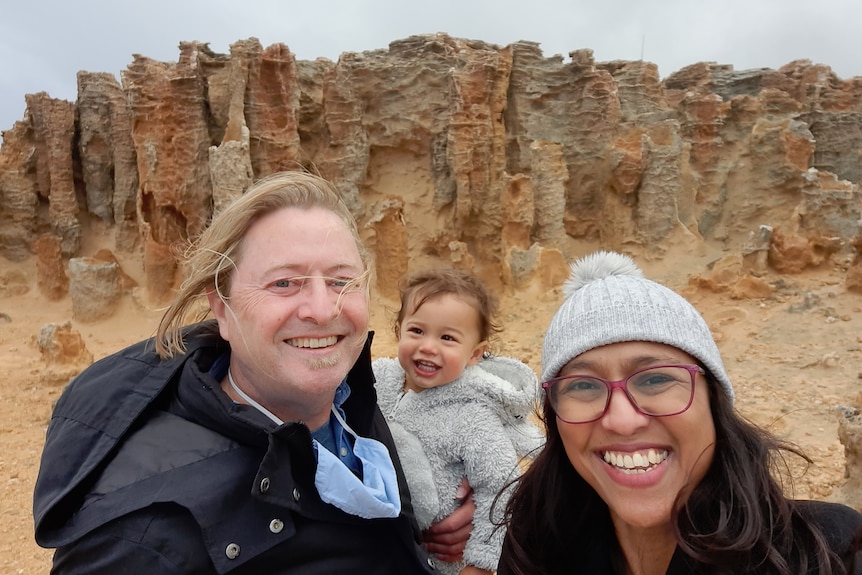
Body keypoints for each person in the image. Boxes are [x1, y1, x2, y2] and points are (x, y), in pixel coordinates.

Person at [33, 171, 475, 574]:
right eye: (284, 283)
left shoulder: (348, 402)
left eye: (341, 281)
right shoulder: (144, 537)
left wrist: (439, 506)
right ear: (220, 309)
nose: (323, 310)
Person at [497, 250, 862, 575]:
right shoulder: (534, 546)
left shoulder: (830, 551)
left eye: (655, 380)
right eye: (583, 386)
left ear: (713, 399)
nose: (622, 421)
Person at [373, 268, 544, 575]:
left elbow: (501, 487)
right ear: (398, 330)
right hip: (377, 547)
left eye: (447, 337)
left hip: (440, 562)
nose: (428, 346)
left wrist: (479, 565)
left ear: (475, 354)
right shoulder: (376, 383)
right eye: (416, 331)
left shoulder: (471, 416)